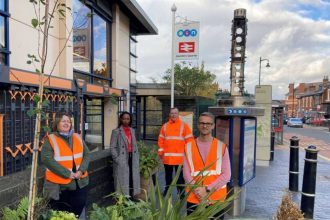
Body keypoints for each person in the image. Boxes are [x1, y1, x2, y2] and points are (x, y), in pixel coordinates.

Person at [183, 112, 231, 219]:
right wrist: (199, 192)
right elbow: (186, 174)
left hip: (215, 198)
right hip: (194, 198)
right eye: (202, 123)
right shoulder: (188, 147)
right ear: (198, 125)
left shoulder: (222, 147)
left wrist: (207, 190)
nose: (205, 126)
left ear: (213, 126)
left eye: (208, 123)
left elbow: (227, 175)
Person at [41, 112, 90, 217]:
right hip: (61, 185)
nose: (66, 123)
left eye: (68, 121)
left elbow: (87, 154)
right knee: (63, 212)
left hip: (80, 181)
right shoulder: (50, 139)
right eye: (63, 121)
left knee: (79, 207)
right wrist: (67, 173)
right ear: (57, 123)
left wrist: (81, 170)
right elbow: (47, 159)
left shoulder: (77, 136)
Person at [158, 107, 193, 196]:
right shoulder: (165, 126)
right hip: (168, 158)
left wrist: (188, 154)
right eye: (172, 113)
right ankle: (167, 192)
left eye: (175, 113)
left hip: (180, 158)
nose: (173, 115)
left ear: (178, 114)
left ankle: (181, 193)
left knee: (180, 178)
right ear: (169, 114)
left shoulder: (184, 126)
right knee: (168, 177)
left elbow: (190, 141)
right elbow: (161, 140)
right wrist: (161, 152)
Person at [110, 111, 140, 198]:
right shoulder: (116, 132)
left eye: (128, 119)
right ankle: (123, 199)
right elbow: (112, 147)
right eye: (124, 119)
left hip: (132, 158)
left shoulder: (132, 130)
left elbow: (134, 145)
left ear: (130, 120)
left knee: (131, 177)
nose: (126, 121)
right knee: (123, 179)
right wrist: (117, 159)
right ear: (121, 119)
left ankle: (132, 196)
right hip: (122, 158)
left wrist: (137, 157)